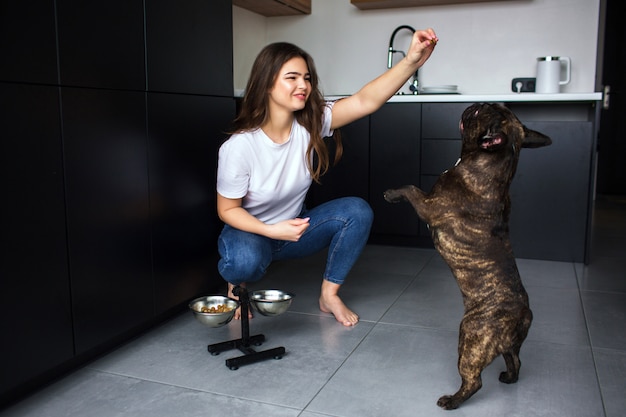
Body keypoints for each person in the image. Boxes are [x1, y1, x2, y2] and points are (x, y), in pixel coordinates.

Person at [216, 28, 438, 327]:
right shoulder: (240, 146)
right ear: (267, 83)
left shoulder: (309, 124)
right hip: (250, 234)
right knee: (243, 261)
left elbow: (365, 101)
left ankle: (329, 295)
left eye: (306, 78)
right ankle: (236, 286)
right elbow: (227, 210)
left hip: (294, 231)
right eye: (292, 77)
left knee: (357, 211)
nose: (303, 85)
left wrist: (411, 61)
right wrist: (271, 231)